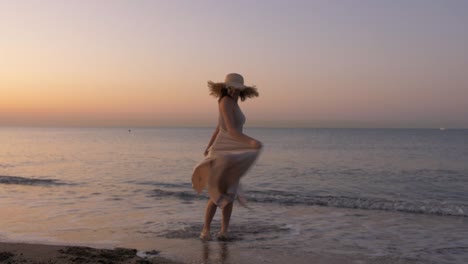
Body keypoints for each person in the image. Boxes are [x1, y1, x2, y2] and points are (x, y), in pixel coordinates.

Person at [192, 73, 262, 241]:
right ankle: (206, 230)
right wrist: (251, 141)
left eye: (236, 88)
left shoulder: (235, 103)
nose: (233, 91)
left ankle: (224, 231)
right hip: (222, 151)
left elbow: (218, 127)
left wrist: (208, 145)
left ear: (241, 90)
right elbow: (230, 130)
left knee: (230, 193)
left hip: (234, 150)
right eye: (230, 87)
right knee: (217, 193)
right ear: (225, 87)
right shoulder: (224, 101)